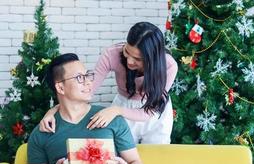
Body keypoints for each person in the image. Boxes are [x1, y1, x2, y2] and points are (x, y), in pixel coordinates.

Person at [27, 53, 143, 164]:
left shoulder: (111, 118)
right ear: (60, 87)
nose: (88, 82)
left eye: (87, 75)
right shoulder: (43, 131)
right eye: (79, 78)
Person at [40, 21, 178, 144]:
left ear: (152, 58)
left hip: (153, 112)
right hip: (123, 104)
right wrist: (52, 111)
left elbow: (148, 113)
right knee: (121, 154)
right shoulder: (112, 54)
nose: (129, 61)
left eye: (137, 58)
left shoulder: (169, 66)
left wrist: (116, 110)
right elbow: (87, 90)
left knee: (155, 157)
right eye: (127, 52)